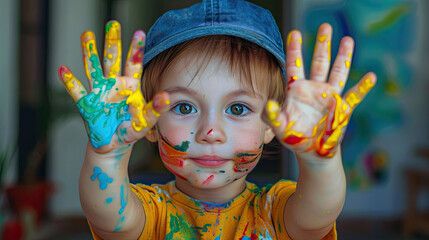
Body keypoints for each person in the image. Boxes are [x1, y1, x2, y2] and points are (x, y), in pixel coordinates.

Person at [58, 0, 376, 239]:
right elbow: (107, 215)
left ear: (270, 126)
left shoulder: (276, 209)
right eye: (184, 107)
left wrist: (320, 163)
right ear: (151, 124)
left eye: (237, 109)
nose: (210, 132)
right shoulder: (149, 212)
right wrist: (107, 155)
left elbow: (318, 214)